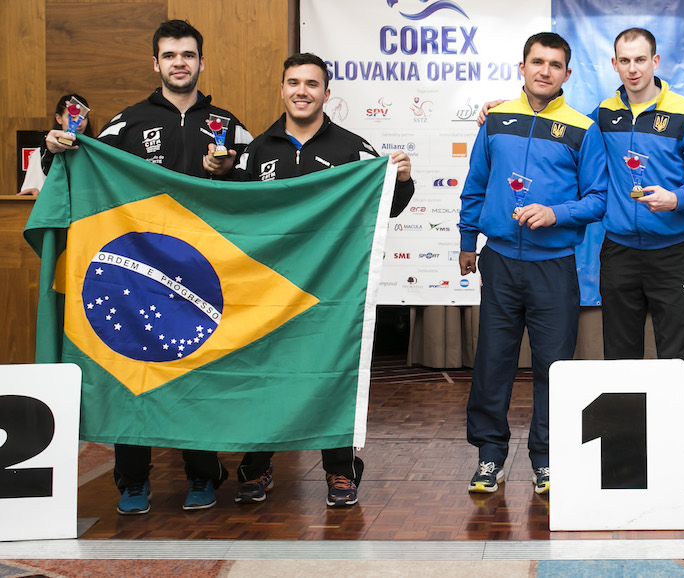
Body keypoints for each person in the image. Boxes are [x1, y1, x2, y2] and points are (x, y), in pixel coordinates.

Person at [46, 19, 252, 514]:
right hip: (134, 272)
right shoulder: (126, 123)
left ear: (202, 62)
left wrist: (229, 172)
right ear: (155, 63)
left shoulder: (229, 124)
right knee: (131, 370)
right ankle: (133, 481)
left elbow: (260, 190)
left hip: (203, 273)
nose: (180, 63)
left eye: (188, 54)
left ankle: (203, 474)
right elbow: (80, 173)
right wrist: (57, 152)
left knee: (197, 371)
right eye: (170, 55)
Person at [232, 53, 415, 507]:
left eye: (312, 84)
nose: (302, 91)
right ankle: (256, 466)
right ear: (282, 89)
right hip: (269, 289)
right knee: (266, 377)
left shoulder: (353, 149)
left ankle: (340, 471)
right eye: (293, 82)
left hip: (332, 289)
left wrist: (402, 181)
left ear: (327, 93)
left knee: (333, 375)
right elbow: (232, 214)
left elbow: (389, 208)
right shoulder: (256, 150)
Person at [459, 32, 607, 495]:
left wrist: (555, 213)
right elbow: (476, 183)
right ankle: (489, 455)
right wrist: (467, 240)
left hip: (554, 266)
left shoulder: (583, 129)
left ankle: (547, 459)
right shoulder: (495, 119)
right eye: (537, 62)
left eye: (555, 64)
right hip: (500, 262)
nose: (545, 71)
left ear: (567, 73)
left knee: (554, 367)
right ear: (521, 67)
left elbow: (598, 199)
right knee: (492, 363)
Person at [590, 28, 684, 500]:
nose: (633, 69)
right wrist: (496, 108)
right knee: (620, 360)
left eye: (640, 59)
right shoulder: (603, 114)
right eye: (624, 60)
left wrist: (677, 199)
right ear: (614, 64)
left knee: (680, 360)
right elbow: (560, 131)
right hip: (619, 251)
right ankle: (625, 460)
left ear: (656, 61)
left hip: (671, 254)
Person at [19, 93, 94, 197]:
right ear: (59, 118)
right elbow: (29, 192)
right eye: (72, 117)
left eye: (83, 118)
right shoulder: (40, 153)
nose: (79, 123)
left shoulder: (93, 151)